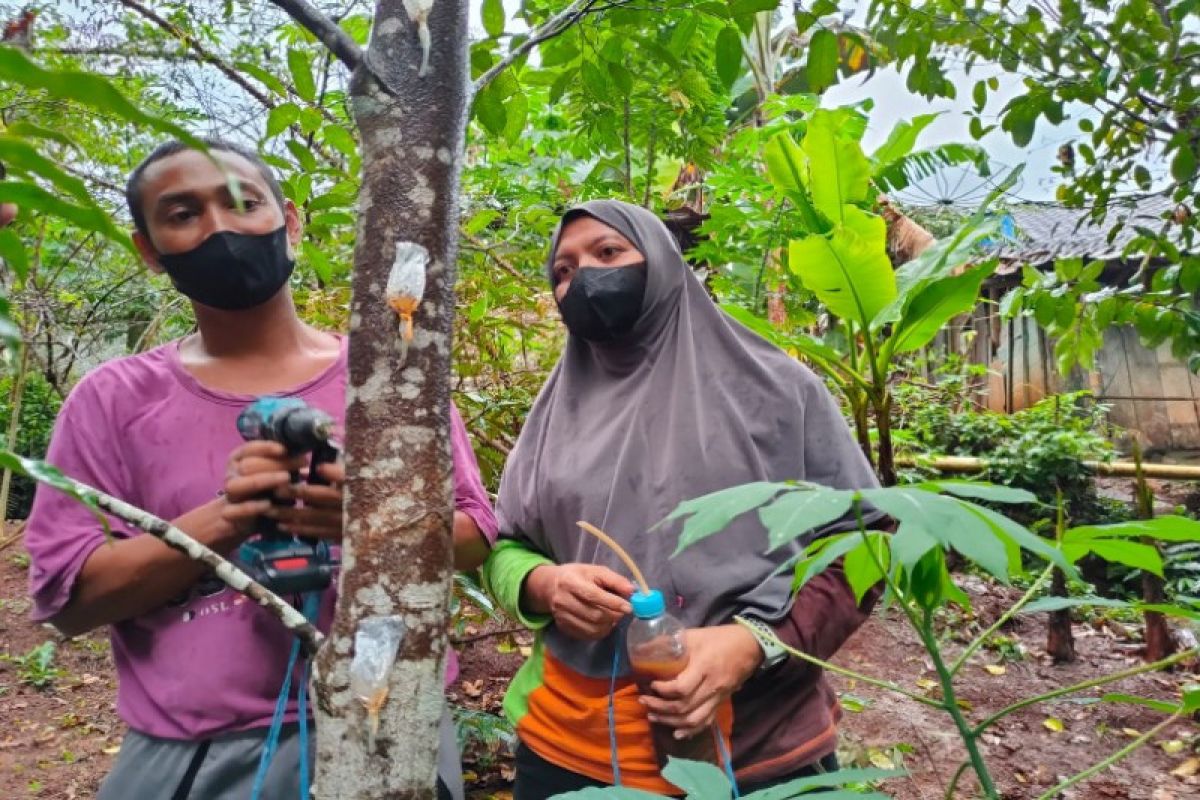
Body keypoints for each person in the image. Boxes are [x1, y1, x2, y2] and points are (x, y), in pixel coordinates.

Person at [23, 137, 497, 799]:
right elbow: (69, 602)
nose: (220, 227)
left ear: (291, 222)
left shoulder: (392, 378)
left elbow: (474, 536)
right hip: (197, 752)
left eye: (244, 202)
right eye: (183, 214)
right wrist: (229, 518)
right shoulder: (112, 401)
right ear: (149, 252)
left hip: (390, 727)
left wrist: (372, 523)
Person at [481, 200, 881, 798]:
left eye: (608, 252)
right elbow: (504, 545)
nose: (583, 278)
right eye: (563, 271)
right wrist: (545, 584)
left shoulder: (776, 391)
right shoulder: (555, 414)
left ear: (663, 263)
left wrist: (754, 643)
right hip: (570, 749)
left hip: (760, 750)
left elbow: (866, 542)